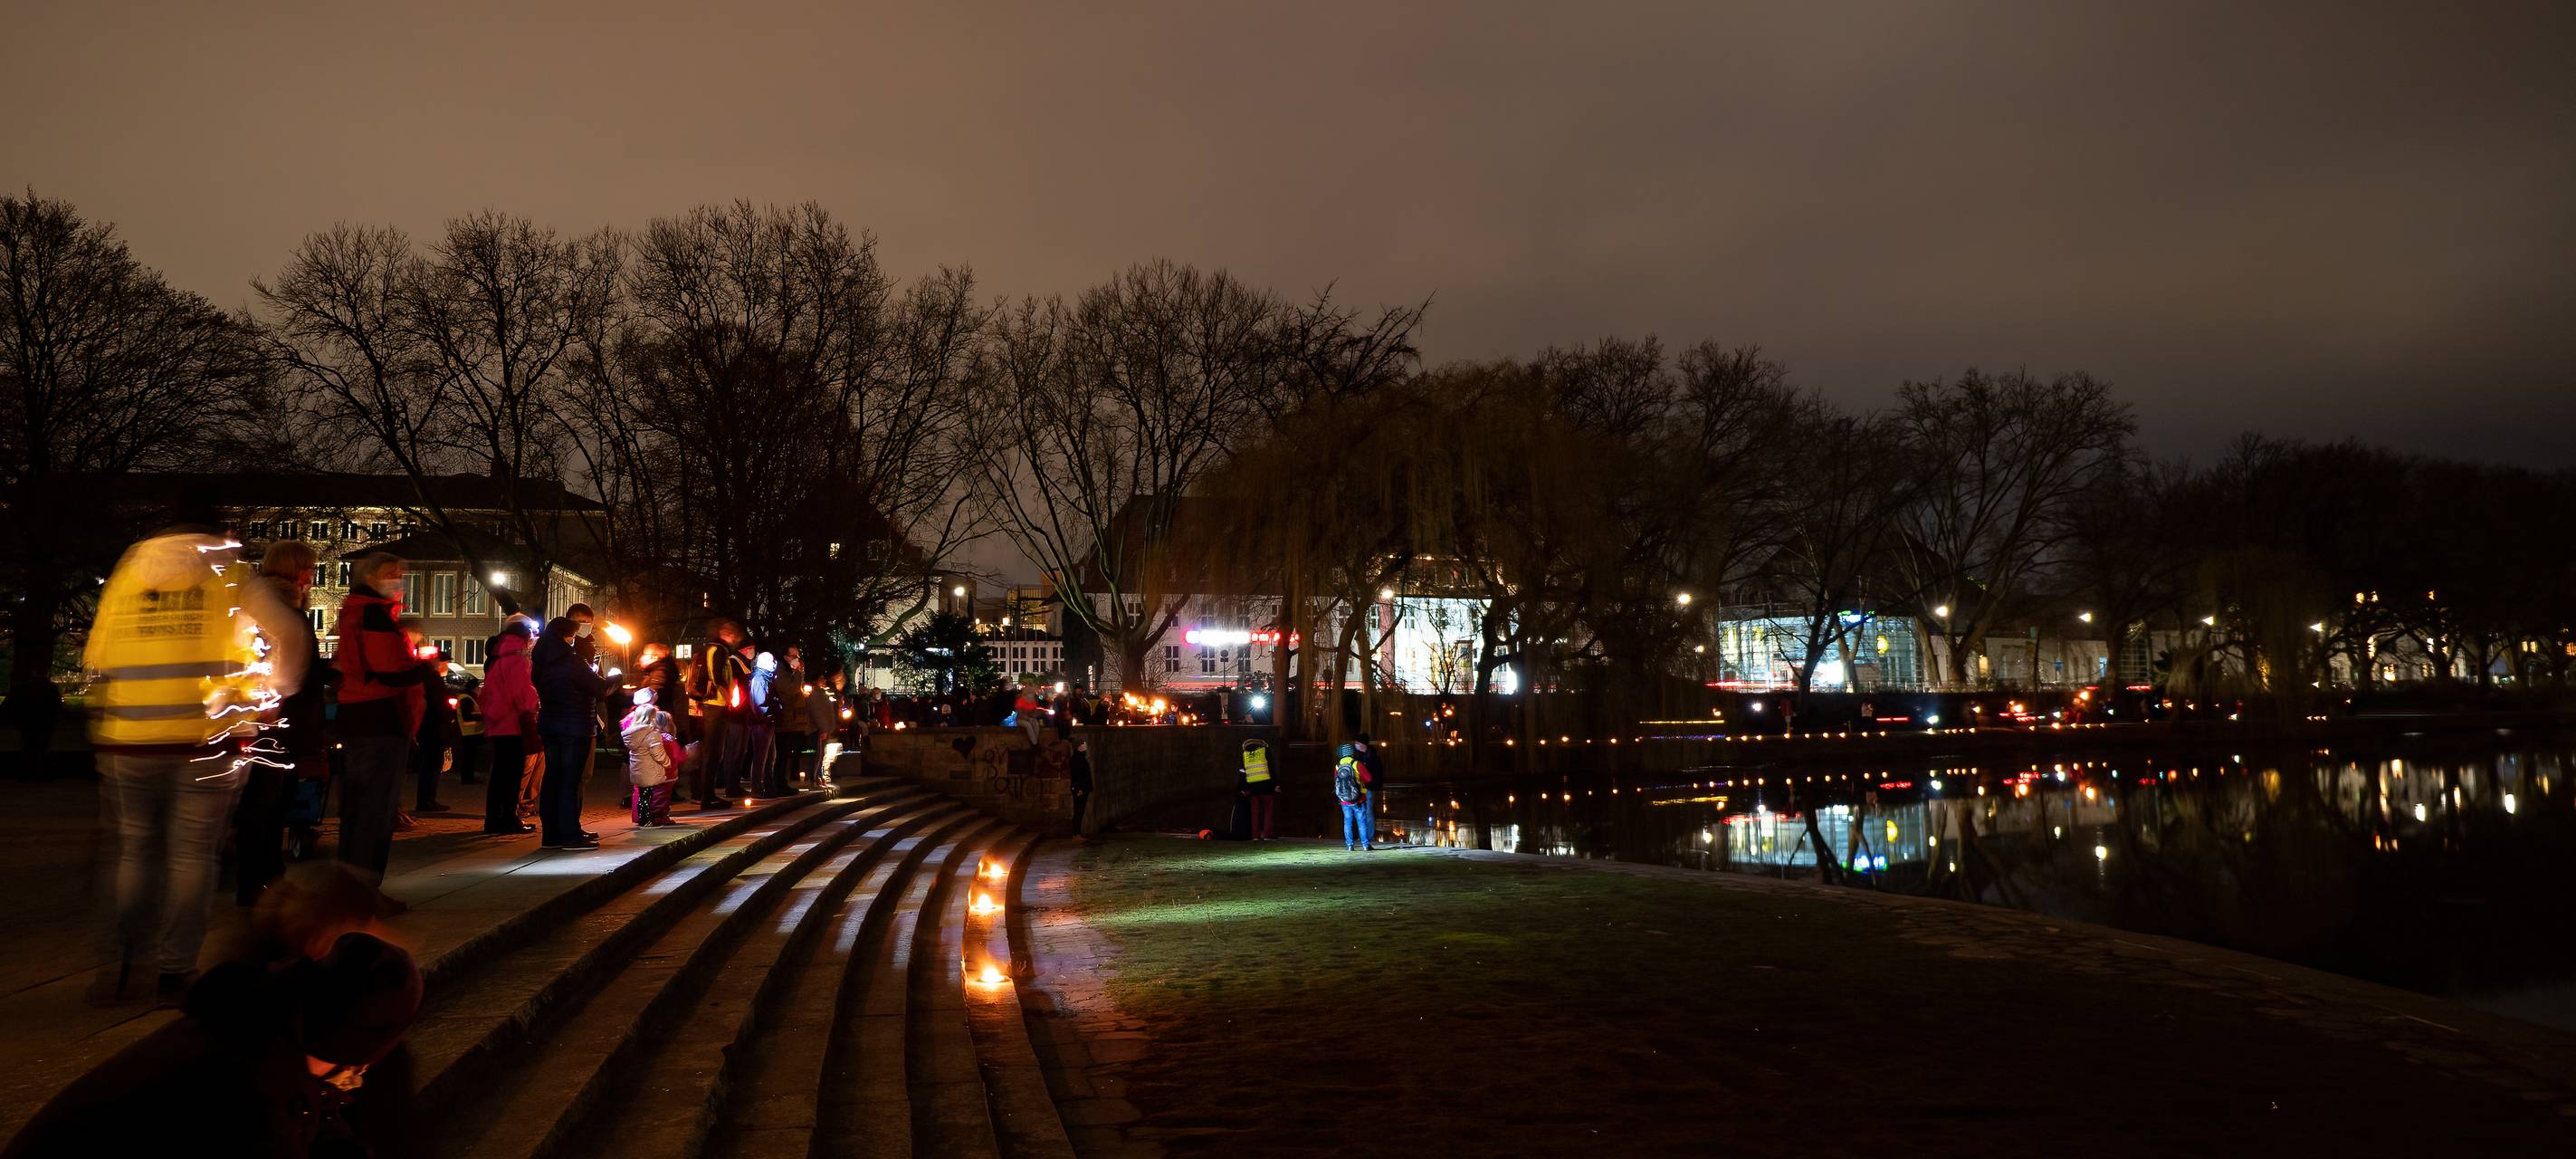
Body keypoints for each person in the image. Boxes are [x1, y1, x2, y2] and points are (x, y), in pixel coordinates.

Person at [84, 496, 307, 1001]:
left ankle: (121, 963)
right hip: (206, 739)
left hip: (128, 738)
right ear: (217, 527)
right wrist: (274, 690)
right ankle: (174, 969)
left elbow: (97, 653)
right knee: (190, 857)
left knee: (134, 852)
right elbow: (289, 630)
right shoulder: (227, 570)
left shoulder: (129, 570)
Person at [5, 933, 424, 1159]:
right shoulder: (247, 1083)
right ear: (341, 1043)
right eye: (358, 1068)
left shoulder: (258, 1018)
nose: (353, 1081)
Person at [331, 552, 434, 887]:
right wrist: (427, 668)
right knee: (374, 811)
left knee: (359, 809)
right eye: (393, 574)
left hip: (359, 717)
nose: (400, 581)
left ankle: (352, 887)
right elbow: (390, 672)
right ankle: (363, 891)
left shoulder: (356, 612)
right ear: (372, 578)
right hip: (380, 719)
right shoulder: (374, 614)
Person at [236, 540, 326, 909]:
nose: (311, 576)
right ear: (291, 569)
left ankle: (268, 876)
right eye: (306, 567)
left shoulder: (280, 606)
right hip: (271, 720)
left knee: (273, 802)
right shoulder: (274, 610)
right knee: (262, 803)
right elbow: (271, 661)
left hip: (281, 720)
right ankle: (256, 882)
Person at [531, 617, 612, 850]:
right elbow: (600, 688)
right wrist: (615, 679)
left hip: (550, 725)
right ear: (567, 636)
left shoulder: (541, 661)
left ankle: (552, 836)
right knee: (569, 781)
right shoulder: (572, 661)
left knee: (552, 779)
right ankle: (570, 836)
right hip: (575, 727)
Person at [478, 621, 538, 836]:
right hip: (512, 724)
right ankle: (508, 819)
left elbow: (485, 694)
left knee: (499, 775)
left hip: (497, 723)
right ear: (524, 638)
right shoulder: (517, 660)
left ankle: (493, 819)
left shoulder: (498, 659)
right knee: (512, 775)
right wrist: (533, 702)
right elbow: (521, 691)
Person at [690, 619, 750, 809]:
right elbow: (717, 677)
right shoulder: (718, 651)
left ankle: (705, 795)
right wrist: (729, 698)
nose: (735, 641)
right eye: (734, 636)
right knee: (713, 753)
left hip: (710, 706)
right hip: (716, 706)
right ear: (727, 634)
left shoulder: (708, 649)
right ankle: (708, 798)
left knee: (711, 752)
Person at [410, 637, 456, 814]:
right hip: (434, 727)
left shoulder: (424, 676)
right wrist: (449, 712)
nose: (446, 666)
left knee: (430, 763)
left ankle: (427, 799)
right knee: (432, 764)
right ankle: (427, 801)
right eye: (445, 662)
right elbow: (438, 703)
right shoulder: (432, 678)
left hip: (428, 726)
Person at [622, 690, 679, 828]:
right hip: (650, 771)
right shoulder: (652, 734)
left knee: (641, 796)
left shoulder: (633, 733)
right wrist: (667, 762)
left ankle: (640, 817)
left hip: (638, 770)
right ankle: (646, 820)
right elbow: (658, 753)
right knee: (649, 797)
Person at [746, 649, 787, 799]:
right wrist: (768, 717)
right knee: (761, 757)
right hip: (762, 723)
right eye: (771, 661)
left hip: (766, 722)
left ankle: (768, 787)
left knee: (769, 757)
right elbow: (759, 702)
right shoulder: (760, 678)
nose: (774, 664)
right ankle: (757, 788)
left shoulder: (765, 678)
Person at [776, 646, 816, 786]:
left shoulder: (790, 672)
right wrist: (799, 673)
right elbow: (790, 689)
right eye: (794, 656)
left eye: (798, 656)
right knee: (781, 754)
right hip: (784, 718)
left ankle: (782, 782)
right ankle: (778, 782)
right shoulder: (782, 671)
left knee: (787, 753)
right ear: (786, 657)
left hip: (792, 719)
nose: (797, 659)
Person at [1238, 738, 1277, 841]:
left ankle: (1255, 836)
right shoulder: (1265, 751)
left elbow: (1242, 772)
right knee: (1268, 810)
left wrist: (1243, 787)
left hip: (1252, 787)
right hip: (1266, 786)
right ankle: (1267, 835)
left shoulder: (1245, 753)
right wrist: (1276, 784)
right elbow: (1271, 768)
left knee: (1255, 812)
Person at [1335, 752, 1374, 852]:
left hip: (1344, 800)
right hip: (1359, 799)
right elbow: (1369, 778)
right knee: (1361, 822)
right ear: (1351, 753)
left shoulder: (1338, 765)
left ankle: (1349, 845)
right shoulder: (1356, 764)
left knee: (1347, 822)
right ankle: (1365, 845)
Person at [453, 677, 484, 785]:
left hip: (470, 732)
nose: (480, 690)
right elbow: (467, 716)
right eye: (479, 688)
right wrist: (484, 717)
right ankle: (468, 778)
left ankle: (468, 777)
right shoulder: (466, 698)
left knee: (470, 756)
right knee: (469, 757)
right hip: (470, 732)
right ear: (474, 688)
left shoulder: (467, 697)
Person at [1068, 740, 1093, 838]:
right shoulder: (1076, 759)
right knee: (1078, 811)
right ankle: (1076, 833)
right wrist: (1078, 789)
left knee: (1080, 811)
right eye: (1083, 746)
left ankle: (1078, 833)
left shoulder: (1081, 758)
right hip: (1080, 789)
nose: (1085, 747)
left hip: (1083, 788)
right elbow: (1076, 776)